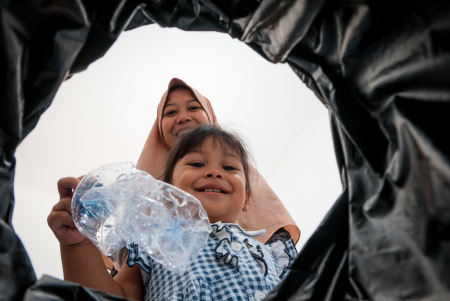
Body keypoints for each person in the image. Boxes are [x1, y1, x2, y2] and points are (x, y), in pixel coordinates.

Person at [47, 124, 298, 300]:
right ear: (167, 194)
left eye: (230, 167)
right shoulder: (150, 248)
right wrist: (77, 246)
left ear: (247, 199)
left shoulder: (273, 253)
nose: (214, 172)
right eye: (197, 164)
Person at [137, 78, 300, 245]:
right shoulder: (139, 188)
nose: (183, 117)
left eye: (193, 107)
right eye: (171, 112)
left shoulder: (243, 175)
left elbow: (278, 244)